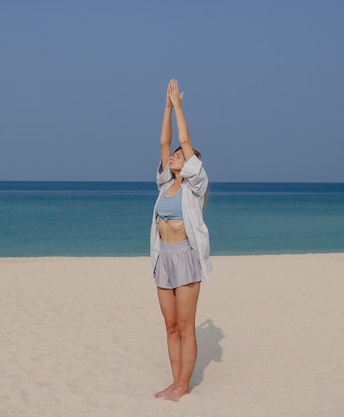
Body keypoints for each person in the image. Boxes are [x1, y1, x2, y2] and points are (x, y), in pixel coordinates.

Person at [150, 79, 211, 402]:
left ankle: (183, 386)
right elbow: (164, 140)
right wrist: (166, 107)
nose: (174, 155)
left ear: (189, 165)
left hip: (186, 258)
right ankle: (174, 382)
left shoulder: (194, 186)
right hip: (164, 259)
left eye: (179, 156)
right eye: (174, 156)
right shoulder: (165, 186)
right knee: (170, 326)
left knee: (186, 327)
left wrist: (180, 107)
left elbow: (184, 139)